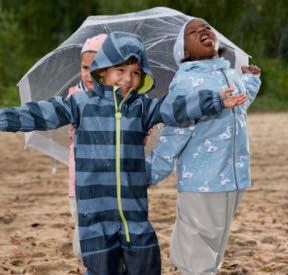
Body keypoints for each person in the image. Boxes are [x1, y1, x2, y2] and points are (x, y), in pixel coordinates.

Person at [0, 31, 245, 275]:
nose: (128, 79)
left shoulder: (141, 108)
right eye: (121, 70)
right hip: (95, 217)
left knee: (146, 266)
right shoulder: (80, 105)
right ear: (103, 71)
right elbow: (36, 114)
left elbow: (175, 107)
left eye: (136, 73)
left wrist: (214, 100)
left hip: (134, 215)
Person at [146, 18, 261, 275]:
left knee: (215, 239)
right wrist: (151, 171)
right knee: (197, 246)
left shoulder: (230, 72)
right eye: (193, 32)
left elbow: (239, 106)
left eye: (206, 28)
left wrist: (251, 82)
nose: (202, 31)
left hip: (234, 176)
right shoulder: (185, 82)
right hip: (202, 178)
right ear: (184, 51)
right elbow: (175, 132)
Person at [67, 34, 107, 258]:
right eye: (85, 67)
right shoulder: (75, 97)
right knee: (86, 239)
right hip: (82, 184)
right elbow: (73, 135)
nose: (89, 74)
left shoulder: (125, 100)